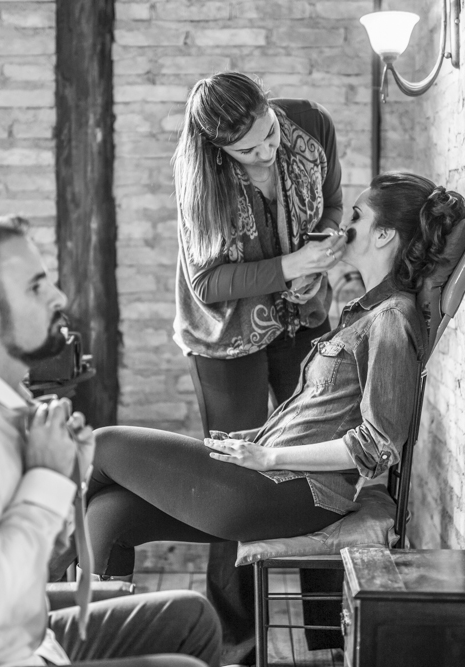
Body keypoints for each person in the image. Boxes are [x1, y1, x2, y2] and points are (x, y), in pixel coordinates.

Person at [86, 173, 465, 654]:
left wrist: (268, 458)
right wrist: (252, 440)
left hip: (293, 492)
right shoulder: (364, 312)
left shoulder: (391, 319)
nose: (343, 226)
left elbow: (378, 444)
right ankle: (93, 650)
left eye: (356, 216)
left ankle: (31, 601)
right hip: (272, 477)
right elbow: (316, 416)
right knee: (109, 516)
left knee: (102, 444)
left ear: (384, 235)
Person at [0, 216, 220, 667]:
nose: (59, 298)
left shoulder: (2, 400)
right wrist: (45, 478)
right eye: (35, 287)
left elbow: (29, 569)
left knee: (190, 619)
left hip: (28, 640)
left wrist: (66, 480)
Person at [171, 71, 347, 662]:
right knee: (236, 481)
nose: (267, 151)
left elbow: (332, 203)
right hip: (225, 339)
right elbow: (207, 281)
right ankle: (235, 642)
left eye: (269, 132)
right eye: (248, 150)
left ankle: (328, 631)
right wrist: (291, 264)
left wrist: (319, 258)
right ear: (218, 149)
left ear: (271, 106)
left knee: (319, 462)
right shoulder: (198, 176)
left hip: (304, 318)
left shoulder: (312, 126)